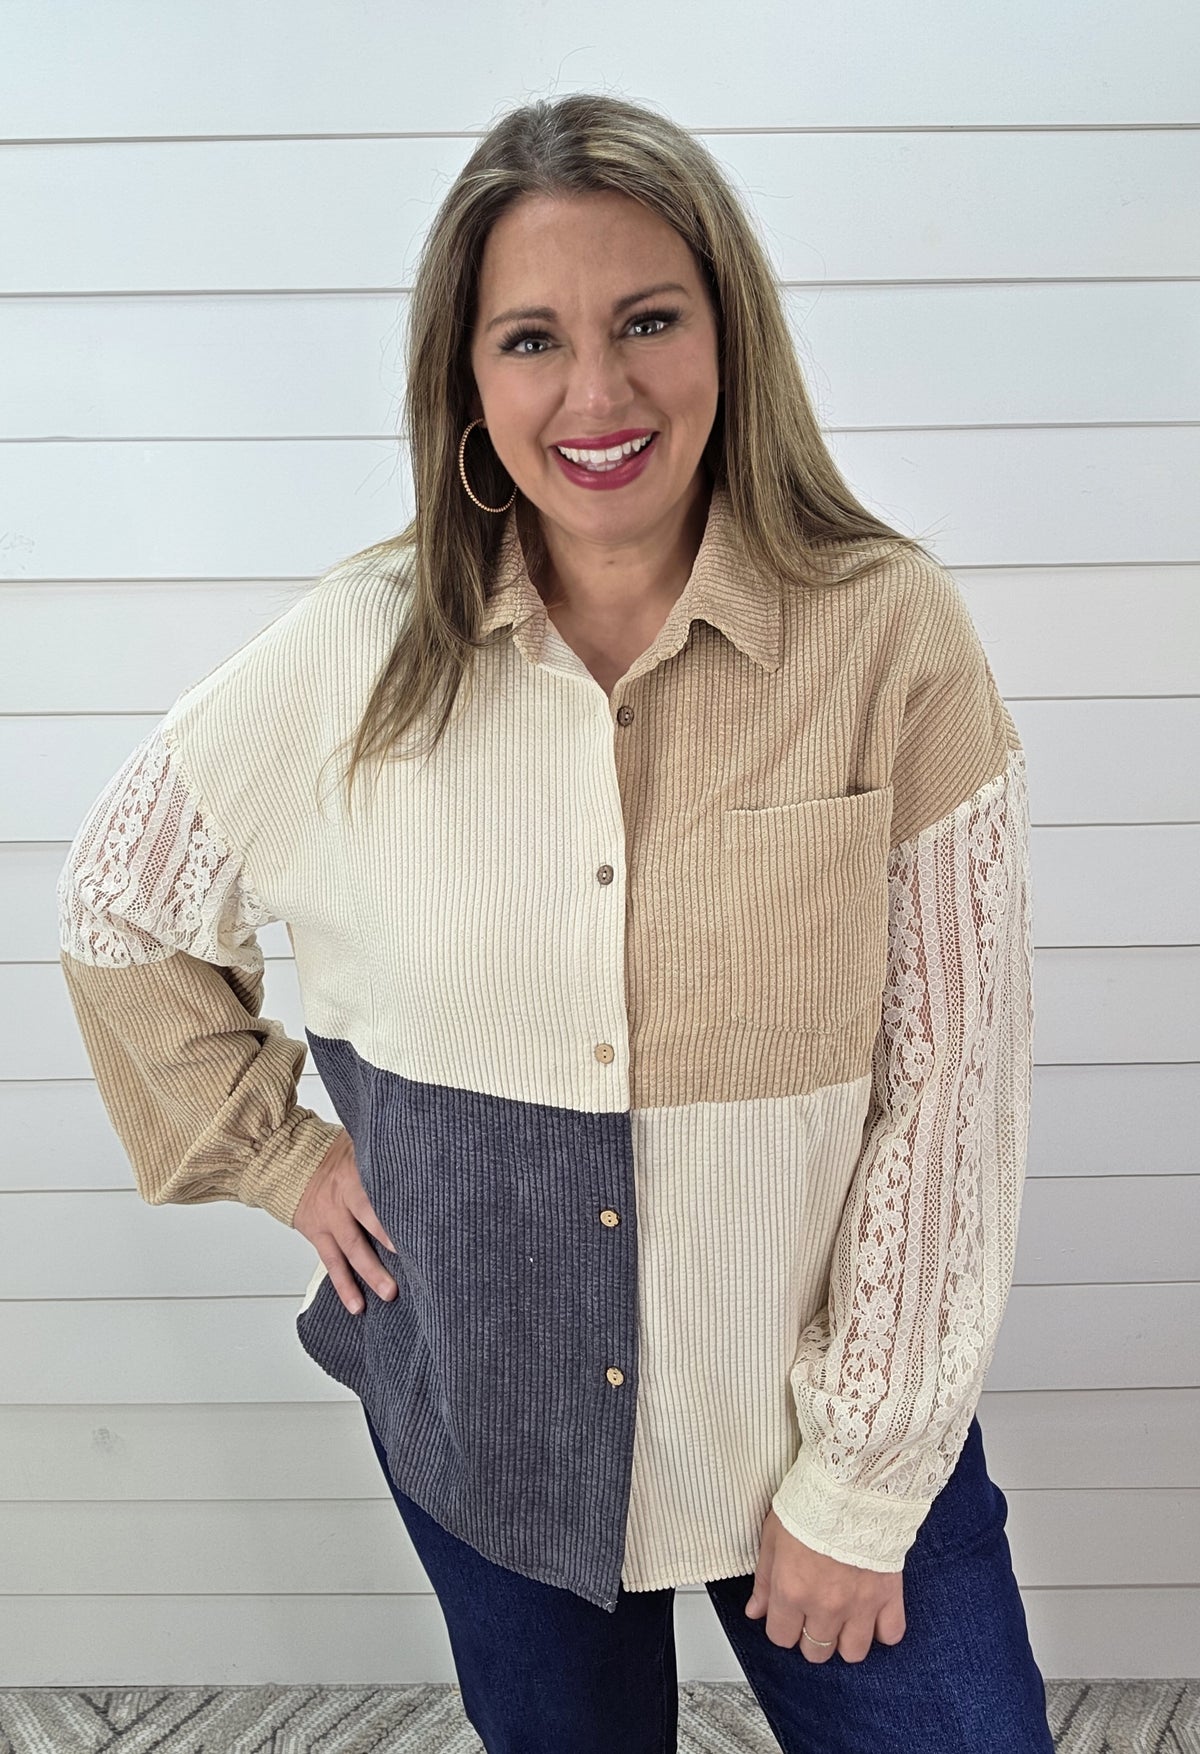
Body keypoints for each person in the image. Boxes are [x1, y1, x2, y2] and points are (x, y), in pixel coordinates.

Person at [56, 90, 1055, 1754]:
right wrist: (285, 1153)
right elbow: (115, 902)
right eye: (531, 339)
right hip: (487, 1417)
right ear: (468, 379)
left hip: (808, 1414)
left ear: (730, 335)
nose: (597, 391)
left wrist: (866, 1475)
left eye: (648, 319)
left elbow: (954, 1074)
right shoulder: (358, 652)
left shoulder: (890, 638)